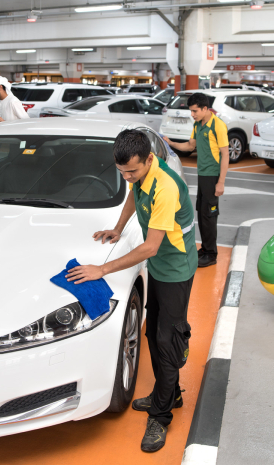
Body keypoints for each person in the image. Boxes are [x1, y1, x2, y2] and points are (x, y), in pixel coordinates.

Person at [67, 129, 197, 453]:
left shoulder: (165, 188)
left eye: (133, 171)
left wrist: (102, 269)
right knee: (153, 333)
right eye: (122, 172)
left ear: (150, 159)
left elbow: (151, 247)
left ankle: (161, 415)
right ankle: (172, 393)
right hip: (163, 267)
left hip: (175, 269)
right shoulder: (139, 175)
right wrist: (118, 228)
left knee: (167, 341)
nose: (127, 177)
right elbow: (132, 194)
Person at [163, 93, 229, 267]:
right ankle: (206, 248)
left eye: (195, 111)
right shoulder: (198, 124)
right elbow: (190, 146)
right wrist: (171, 143)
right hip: (203, 174)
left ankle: (211, 254)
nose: (192, 114)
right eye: (191, 111)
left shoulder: (218, 126)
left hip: (213, 175)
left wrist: (220, 182)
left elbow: (225, 154)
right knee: (202, 212)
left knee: (209, 214)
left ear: (205, 108)